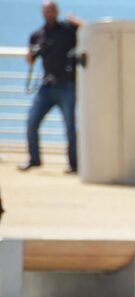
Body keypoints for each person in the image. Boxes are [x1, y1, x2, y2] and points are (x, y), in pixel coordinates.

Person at [19, 1, 82, 174]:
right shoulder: (37, 35)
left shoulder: (68, 31)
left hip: (66, 86)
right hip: (46, 86)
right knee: (32, 122)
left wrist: (77, 22)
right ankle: (34, 159)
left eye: (51, 10)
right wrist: (30, 56)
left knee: (70, 127)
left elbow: (91, 33)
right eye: (46, 11)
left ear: (57, 11)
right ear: (42, 12)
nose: (49, 13)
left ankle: (74, 164)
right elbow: (30, 58)